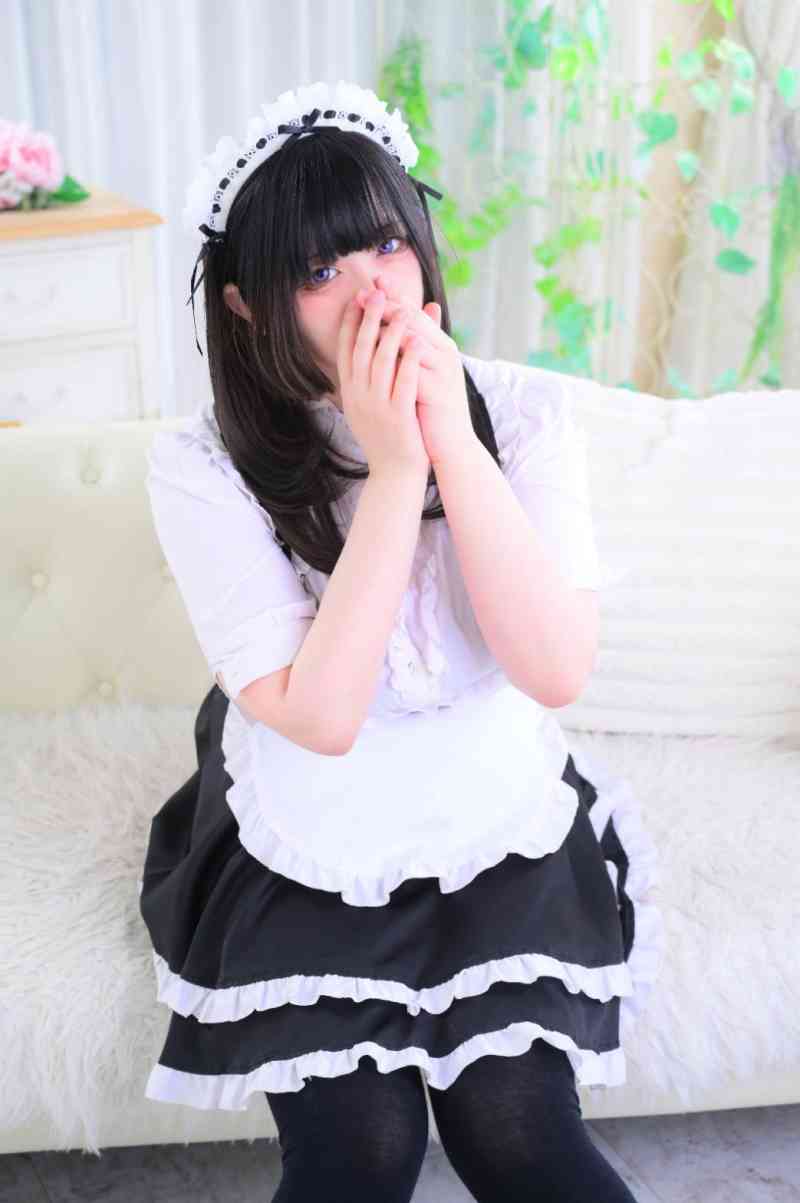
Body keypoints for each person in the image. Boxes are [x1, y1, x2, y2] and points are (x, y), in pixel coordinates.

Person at [138, 78, 665, 1201]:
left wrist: (448, 443)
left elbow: (554, 669)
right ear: (247, 306)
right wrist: (391, 470)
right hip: (307, 818)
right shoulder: (203, 463)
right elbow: (320, 717)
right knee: (358, 1153)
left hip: (491, 807)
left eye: (385, 244)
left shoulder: (526, 413)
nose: (372, 288)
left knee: (522, 1136)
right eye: (317, 270)